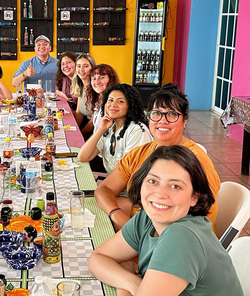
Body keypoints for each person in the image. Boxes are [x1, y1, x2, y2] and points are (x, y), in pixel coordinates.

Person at [88, 145, 250, 296]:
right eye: (152, 181)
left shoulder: (181, 237)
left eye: (175, 186)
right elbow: (97, 258)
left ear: (194, 197)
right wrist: (132, 282)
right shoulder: (147, 218)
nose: (160, 194)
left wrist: (125, 271)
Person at [94, 84, 221, 233]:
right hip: (140, 229)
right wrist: (116, 214)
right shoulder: (141, 152)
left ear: (184, 121)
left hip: (178, 238)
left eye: (172, 114)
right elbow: (105, 189)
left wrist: (137, 235)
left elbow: (200, 216)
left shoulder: (195, 160)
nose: (162, 121)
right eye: (156, 113)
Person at [78, 84, 153, 174]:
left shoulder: (137, 130)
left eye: (120, 101)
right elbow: (83, 157)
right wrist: (101, 129)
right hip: (113, 183)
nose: (113, 104)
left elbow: (129, 172)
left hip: (129, 186)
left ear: (130, 106)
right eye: (110, 100)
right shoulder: (109, 128)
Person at [90, 64, 120, 131]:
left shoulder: (113, 103)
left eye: (101, 77)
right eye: (94, 78)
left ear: (111, 79)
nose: (97, 82)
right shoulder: (99, 98)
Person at [71, 54, 96, 133]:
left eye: (85, 66)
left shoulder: (96, 88)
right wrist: (75, 129)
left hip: (95, 130)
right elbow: (79, 113)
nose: (81, 69)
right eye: (78, 66)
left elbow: (93, 123)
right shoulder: (81, 85)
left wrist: (79, 134)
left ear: (92, 68)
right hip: (85, 125)